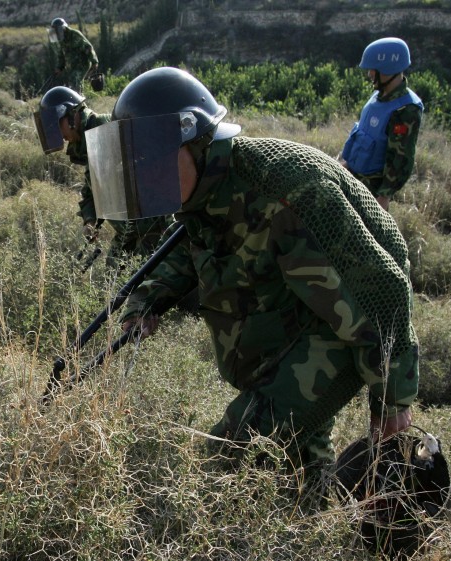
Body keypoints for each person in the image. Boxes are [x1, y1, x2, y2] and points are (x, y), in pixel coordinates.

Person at [85, 67, 418, 485]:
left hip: (346, 322)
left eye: (153, 159)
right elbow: (189, 249)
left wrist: (392, 401)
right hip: (294, 314)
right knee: (299, 455)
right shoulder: (204, 191)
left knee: (233, 452)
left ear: (197, 140)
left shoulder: (288, 189)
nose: (147, 175)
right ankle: (311, 506)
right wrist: (147, 301)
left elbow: (381, 291)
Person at [34, 86, 170, 266]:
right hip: (129, 230)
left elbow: (156, 173)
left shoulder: (107, 129)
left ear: (72, 116)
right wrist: (90, 220)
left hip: (152, 227)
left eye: (58, 125)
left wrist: (169, 226)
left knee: (145, 282)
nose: (59, 134)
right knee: (114, 277)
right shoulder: (88, 141)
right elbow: (93, 188)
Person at [340, 37, 423, 211]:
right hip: (352, 178)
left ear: (387, 69)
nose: (369, 74)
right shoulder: (378, 96)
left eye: (373, 69)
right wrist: (345, 165)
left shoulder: (406, 109)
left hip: (371, 191)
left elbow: (400, 157)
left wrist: (384, 196)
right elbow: (362, 135)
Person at [48, 18, 99, 93]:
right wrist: (59, 67)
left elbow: (88, 47)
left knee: (75, 79)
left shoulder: (75, 34)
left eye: (57, 30)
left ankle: (78, 99)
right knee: (73, 83)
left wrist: (94, 62)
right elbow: (61, 54)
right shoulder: (62, 40)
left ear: (63, 29)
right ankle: (78, 98)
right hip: (72, 66)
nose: (56, 33)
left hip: (82, 63)